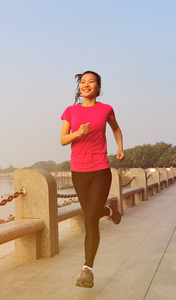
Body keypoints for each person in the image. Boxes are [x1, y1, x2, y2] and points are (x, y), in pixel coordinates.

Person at [60, 70, 125, 288]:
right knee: (91, 213)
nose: (86, 85)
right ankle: (109, 211)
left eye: (91, 82)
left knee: (89, 221)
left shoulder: (106, 109)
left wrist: (120, 148)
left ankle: (87, 270)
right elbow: (62, 140)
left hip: (100, 169)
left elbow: (116, 129)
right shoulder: (70, 111)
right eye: (83, 82)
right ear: (80, 87)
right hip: (78, 171)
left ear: (98, 87)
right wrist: (78, 133)